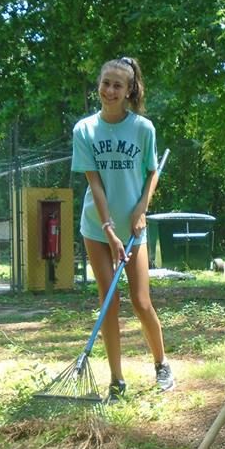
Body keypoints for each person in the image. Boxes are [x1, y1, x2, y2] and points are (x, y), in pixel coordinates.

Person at [71, 57, 174, 402]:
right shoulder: (84, 129)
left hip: (133, 227)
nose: (109, 90)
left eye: (118, 85)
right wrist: (108, 228)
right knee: (109, 304)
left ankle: (161, 364)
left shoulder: (143, 129)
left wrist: (141, 210)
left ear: (129, 90)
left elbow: (151, 171)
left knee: (141, 301)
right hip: (97, 228)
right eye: (105, 83)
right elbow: (95, 184)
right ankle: (117, 380)